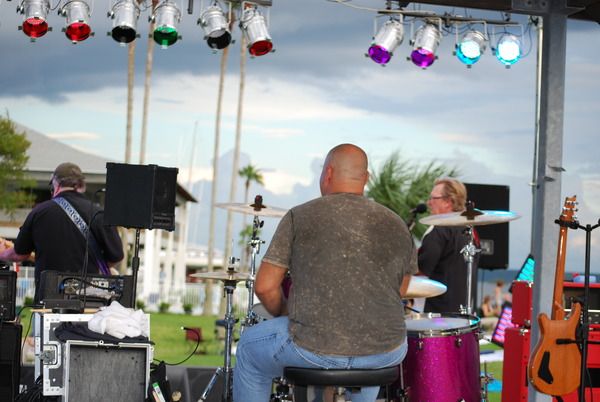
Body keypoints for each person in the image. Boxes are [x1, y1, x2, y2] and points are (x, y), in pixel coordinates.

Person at [233, 144, 418, 402]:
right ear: (366, 178)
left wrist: (286, 314)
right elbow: (400, 289)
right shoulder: (397, 224)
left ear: (327, 173)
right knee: (372, 353)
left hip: (315, 347)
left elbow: (264, 286)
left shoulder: (300, 216)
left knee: (249, 346)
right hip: (388, 351)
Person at [0, 162, 124, 303]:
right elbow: (117, 256)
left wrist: (2, 253)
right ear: (81, 185)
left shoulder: (39, 212)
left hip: (48, 298)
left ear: (55, 184)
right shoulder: (99, 213)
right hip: (88, 300)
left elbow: (20, 254)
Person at [418, 177, 478, 314]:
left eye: (433, 198)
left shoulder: (439, 228)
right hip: (464, 312)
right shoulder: (470, 231)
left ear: (448, 202)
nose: (428, 203)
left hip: (437, 314)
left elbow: (421, 269)